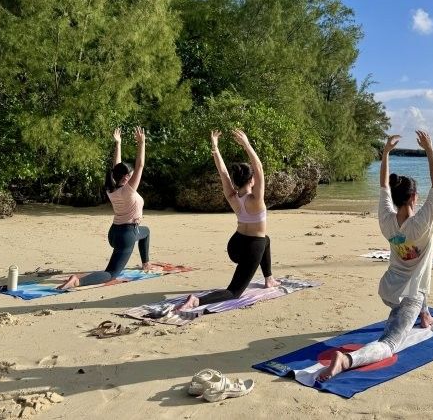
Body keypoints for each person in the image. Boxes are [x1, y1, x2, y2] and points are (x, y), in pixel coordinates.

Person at [318, 130, 433, 381]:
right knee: (390, 344)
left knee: (420, 272)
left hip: (387, 288)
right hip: (407, 297)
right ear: (413, 197)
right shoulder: (421, 224)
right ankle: (346, 361)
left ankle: (425, 314)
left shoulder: (386, 220)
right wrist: (429, 149)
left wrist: (385, 153)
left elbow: (383, 185)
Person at [176, 129, 279, 311]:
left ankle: (269, 278)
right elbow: (259, 167)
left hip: (235, 246)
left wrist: (215, 147)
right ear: (251, 180)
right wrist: (246, 144)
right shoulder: (256, 200)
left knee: (267, 240)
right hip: (252, 247)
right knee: (233, 292)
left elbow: (222, 172)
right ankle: (196, 301)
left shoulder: (232, 196)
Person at [58, 127, 154, 289]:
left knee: (146, 232)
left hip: (115, 233)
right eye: (129, 175)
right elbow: (140, 166)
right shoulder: (128, 190)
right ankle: (78, 280)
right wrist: (142, 143)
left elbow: (116, 166)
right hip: (127, 235)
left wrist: (118, 143)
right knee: (111, 274)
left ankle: (146, 263)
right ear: (126, 177)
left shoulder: (111, 188)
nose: (132, 176)